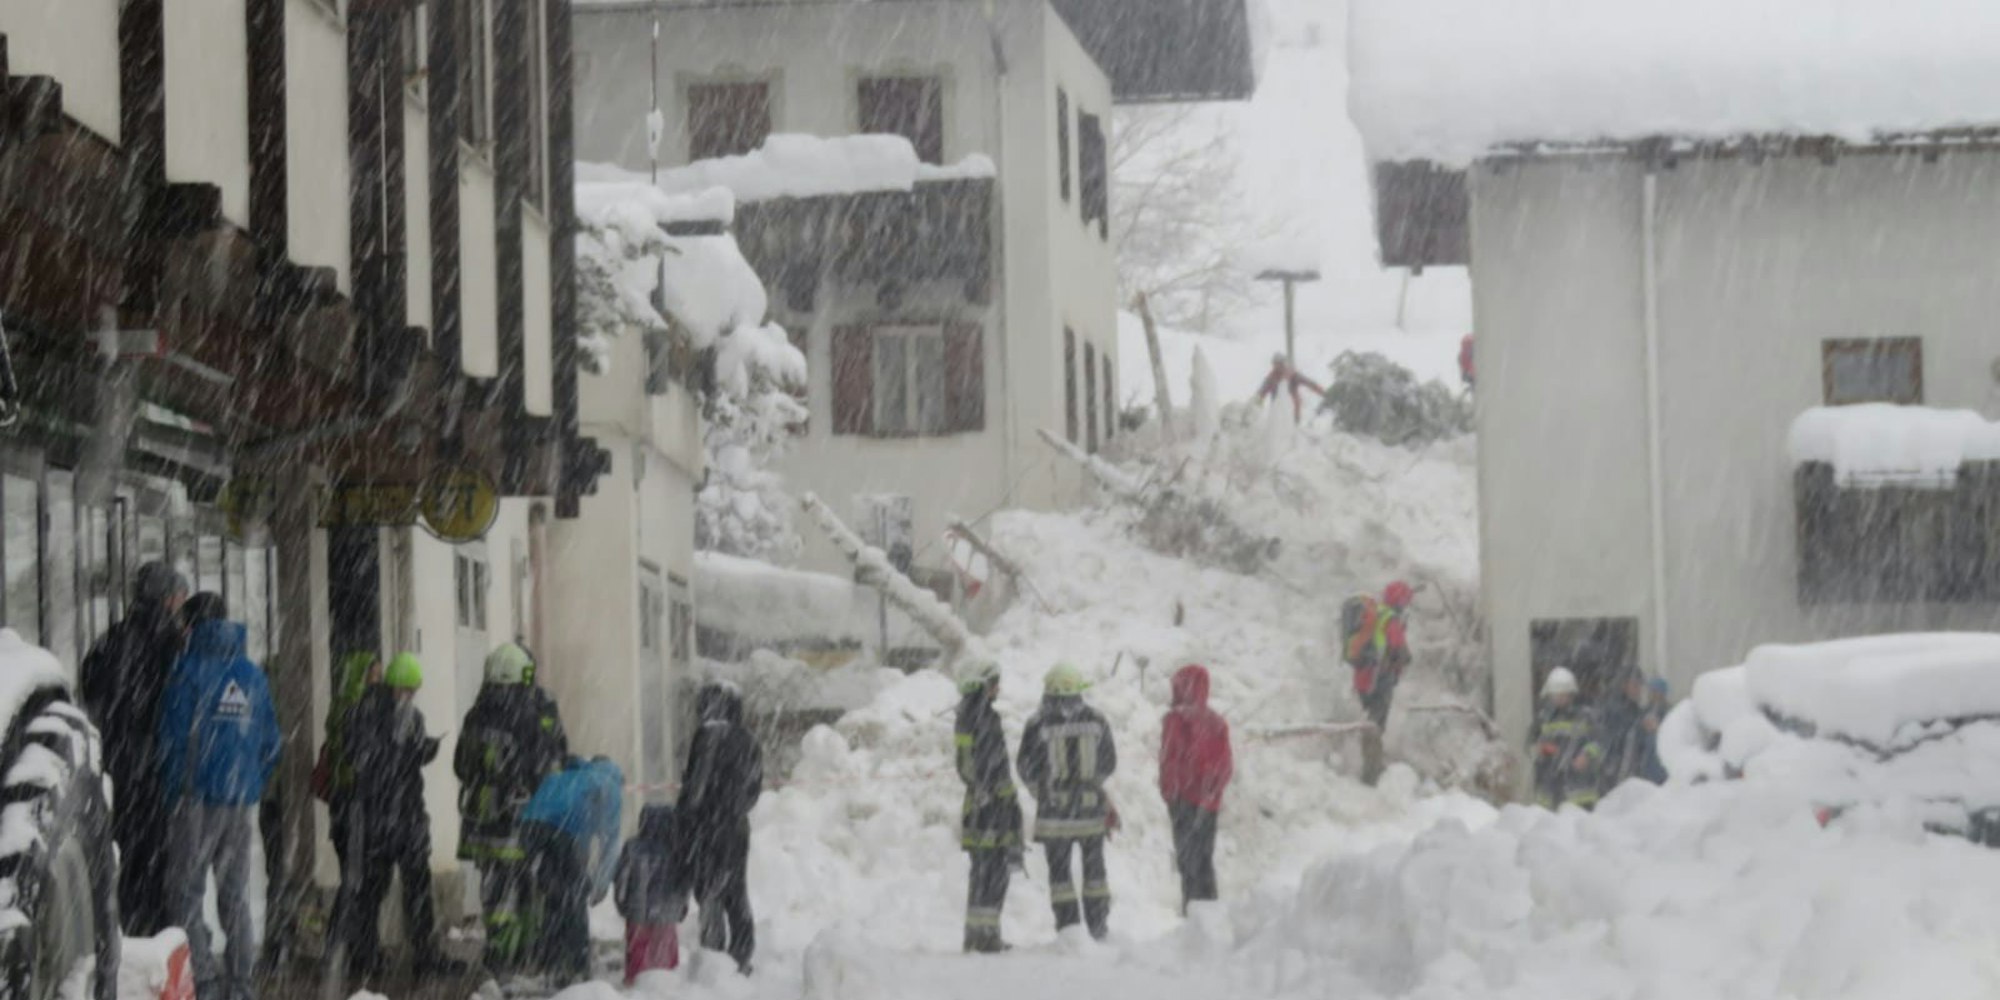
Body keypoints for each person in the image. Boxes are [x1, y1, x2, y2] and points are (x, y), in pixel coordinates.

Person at [155, 594, 279, 1000]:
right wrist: (246, 778)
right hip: (238, 802)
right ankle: (241, 985)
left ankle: (204, 983)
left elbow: (170, 739)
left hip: (194, 802)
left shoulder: (185, 673)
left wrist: (174, 788)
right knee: (235, 896)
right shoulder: (251, 676)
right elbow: (271, 742)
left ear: (191, 625)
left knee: (186, 894)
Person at [79, 560, 190, 935]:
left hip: (118, 764)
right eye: (176, 596)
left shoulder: (111, 639)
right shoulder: (174, 644)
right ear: (165, 599)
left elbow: (91, 689)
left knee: (124, 853)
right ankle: (156, 937)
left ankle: (126, 932)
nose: (179, 604)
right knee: (158, 858)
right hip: (155, 768)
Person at [340, 653, 461, 980]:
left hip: (387, 820)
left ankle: (373, 958)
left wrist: (419, 749)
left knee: (382, 893)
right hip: (394, 819)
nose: (410, 697)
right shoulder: (385, 715)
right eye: (408, 690)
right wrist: (411, 748)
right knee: (398, 893)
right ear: (398, 687)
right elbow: (377, 760)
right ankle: (405, 957)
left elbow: (377, 760)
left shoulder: (372, 714)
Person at [457, 642, 568, 978]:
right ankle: (523, 949)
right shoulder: (531, 713)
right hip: (520, 817)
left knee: (495, 888)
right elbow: (550, 761)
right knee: (526, 883)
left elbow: (461, 765)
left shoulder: (476, 714)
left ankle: (500, 948)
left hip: (482, 820)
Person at [1017, 663, 1117, 941]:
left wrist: (1044, 791)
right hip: (1090, 814)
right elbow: (1109, 761)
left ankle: (1069, 928)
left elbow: (1025, 767)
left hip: (1054, 816)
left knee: (1060, 876)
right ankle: (1098, 927)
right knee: (1095, 874)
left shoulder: (1037, 723)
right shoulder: (1097, 720)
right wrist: (1091, 784)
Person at [678, 682, 763, 974]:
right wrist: (735, 807)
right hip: (737, 827)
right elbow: (755, 788)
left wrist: (686, 816)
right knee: (736, 890)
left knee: (708, 889)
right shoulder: (749, 740)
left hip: (708, 825)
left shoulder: (708, 735)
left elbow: (695, 789)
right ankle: (742, 954)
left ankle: (714, 956)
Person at [521, 756, 624, 987]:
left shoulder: (574, 777)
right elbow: (610, 845)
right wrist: (600, 885)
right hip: (564, 832)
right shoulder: (610, 788)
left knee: (554, 897)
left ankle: (550, 963)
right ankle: (578, 966)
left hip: (530, 828)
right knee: (575, 898)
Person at [953, 659, 1023, 953]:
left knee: (983, 871)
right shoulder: (984, 718)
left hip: (978, 807)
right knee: (993, 871)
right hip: (992, 809)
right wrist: (1005, 798)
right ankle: (987, 936)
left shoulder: (966, 715)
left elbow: (966, 766)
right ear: (984, 685)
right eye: (995, 681)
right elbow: (989, 767)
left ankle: (977, 934)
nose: (999, 687)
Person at [318, 651, 383, 959]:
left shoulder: (342, 707)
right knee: (355, 877)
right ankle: (340, 945)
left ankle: (347, 945)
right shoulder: (356, 711)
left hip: (345, 802)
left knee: (353, 875)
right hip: (354, 801)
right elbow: (359, 759)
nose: (378, 680)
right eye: (374, 674)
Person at [1159, 664, 1232, 914]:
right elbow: (1225, 766)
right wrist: (1211, 793)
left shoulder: (1176, 720)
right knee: (1204, 860)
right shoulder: (1217, 723)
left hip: (1183, 802)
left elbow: (1170, 760)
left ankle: (1192, 913)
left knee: (1187, 862)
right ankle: (1211, 912)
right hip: (1208, 804)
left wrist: (1170, 794)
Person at [614, 805, 689, 985]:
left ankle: (637, 988)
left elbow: (620, 880)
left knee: (638, 958)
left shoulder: (632, 847)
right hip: (667, 915)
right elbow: (684, 884)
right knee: (666, 960)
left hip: (637, 914)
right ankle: (667, 990)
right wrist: (681, 907)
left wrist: (622, 904)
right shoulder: (677, 851)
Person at [1343, 582, 1414, 734]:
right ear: (1400, 601)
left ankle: (1362, 751)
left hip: (1363, 674)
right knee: (1376, 723)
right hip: (1380, 676)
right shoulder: (1390, 618)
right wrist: (1405, 659)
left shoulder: (1376, 612)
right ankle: (1372, 755)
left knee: (1367, 717)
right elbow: (1398, 648)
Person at [1531, 667, 1601, 810]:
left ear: (1571, 694)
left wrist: (1586, 755)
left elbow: (1599, 741)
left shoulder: (1585, 716)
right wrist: (1541, 749)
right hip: (1550, 788)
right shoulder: (1543, 718)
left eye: (1563, 694)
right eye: (1556, 694)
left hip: (1580, 790)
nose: (1560, 698)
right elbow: (1530, 743)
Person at [1256, 353, 1327, 424]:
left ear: (1283, 364)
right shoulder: (1270, 379)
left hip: (1293, 409)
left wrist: (1323, 393)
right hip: (1278, 411)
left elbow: (1309, 383)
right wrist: (1257, 405)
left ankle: (1296, 425)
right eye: (1275, 364)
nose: (1278, 367)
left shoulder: (1292, 375)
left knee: (1294, 408)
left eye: (1280, 364)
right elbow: (1261, 394)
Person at [1635, 678, 1672, 784]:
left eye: (1654, 691)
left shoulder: (1669, 713)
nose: (1651, 694)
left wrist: (1658, 729)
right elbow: (1637, 736)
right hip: (1646, 762)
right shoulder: (1644, 711)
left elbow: (1671, 736)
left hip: (1661, 765)